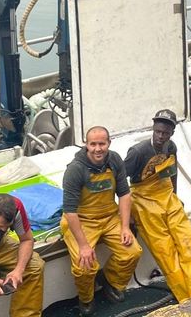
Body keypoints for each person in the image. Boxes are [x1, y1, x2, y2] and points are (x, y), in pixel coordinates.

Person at [124, 109, 191, 303]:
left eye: (165, 133)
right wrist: (127, 214)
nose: (161, 136)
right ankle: (186, 299)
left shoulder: (170, 147)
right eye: (158, 131)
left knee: (188, 244)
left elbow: (172, 172)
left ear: (171, 133)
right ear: (153, 129)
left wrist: (175, 195)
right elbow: (119, 183)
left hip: (166, 196)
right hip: (144, 201)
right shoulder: (137, 152)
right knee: (166, 253)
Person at [62, 126, 143, 316]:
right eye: (93, 144)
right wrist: (83, 245)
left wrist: (124, 227)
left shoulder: (114, 160)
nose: (98, 149)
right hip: (81, 220)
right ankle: (86, 299)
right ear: (86, 145)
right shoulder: (75, 170)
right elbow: (70, 212)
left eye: (102, 144)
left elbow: (124, 194)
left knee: (132, 252)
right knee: (85, 266)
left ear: (109, 143)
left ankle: (109, 281)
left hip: (109, 216)